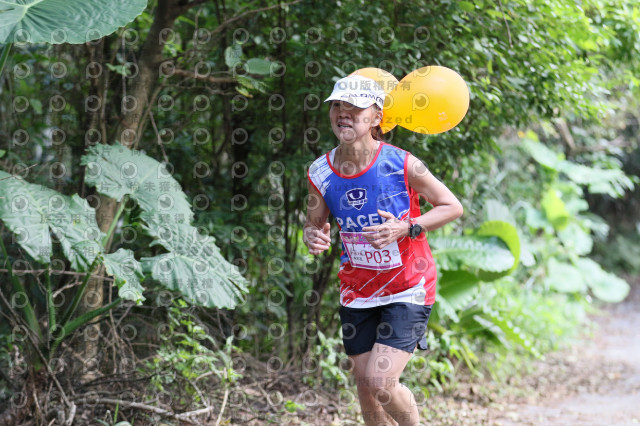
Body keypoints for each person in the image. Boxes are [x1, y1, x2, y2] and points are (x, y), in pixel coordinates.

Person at [303, 74, 463, 426]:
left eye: (355, 107)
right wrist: (312, 236)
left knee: (381, 381)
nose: (343, 113)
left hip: (409, 285)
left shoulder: (403, 163)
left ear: (377, 117)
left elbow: (451, 206)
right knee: (366, 387)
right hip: (358, 290)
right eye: (337, 105)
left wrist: (406, 227)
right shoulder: (320, 171)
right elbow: (314, 224)